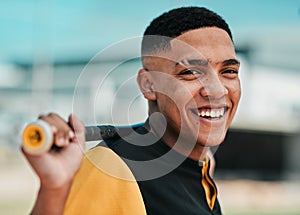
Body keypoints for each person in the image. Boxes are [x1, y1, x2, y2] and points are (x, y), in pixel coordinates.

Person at [23, 6, 241, 215]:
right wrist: (53, 191)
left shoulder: (201, 166)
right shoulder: (110, 169)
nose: (217, 90)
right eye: (191, 72)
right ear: (148, 85)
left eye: (229, 71)